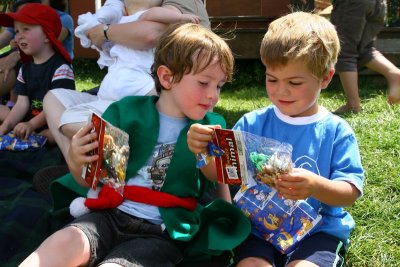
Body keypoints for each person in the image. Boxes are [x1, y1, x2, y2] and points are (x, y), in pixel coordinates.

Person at [20, 23, 250, 267]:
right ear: (167, 77)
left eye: (219, 86)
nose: (213, 95)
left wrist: (205, 153)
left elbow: (218, 179)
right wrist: (78, 161)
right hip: (108, 214)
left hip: (162, 231)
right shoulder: (125, 112)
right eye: (204, 83)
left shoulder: (211, 125)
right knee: (64, 242)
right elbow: (92, 179)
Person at [187, 12, 364, 267]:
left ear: (325, 78)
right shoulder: (251, 124)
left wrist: (315, 186)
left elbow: (349, 192)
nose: (281, 90)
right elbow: (220, 174)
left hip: (318, 233)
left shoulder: (336, 131)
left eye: (294, 82)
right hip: (258, 230)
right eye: (272, 79)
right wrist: (201, 152)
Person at [44, 0, 208, 161]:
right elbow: (98, 32)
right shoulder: (122, 17)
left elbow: (149, 34)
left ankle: (123, 152)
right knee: (56, 102)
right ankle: (80, 165)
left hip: (143, 88)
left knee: (158, 108)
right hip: (114, 91)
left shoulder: (149, 13)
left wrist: (105, 31)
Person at [0, 3, 75, 143]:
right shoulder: (25, 68)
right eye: (16, 31)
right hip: (29, 120)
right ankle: (28, 133)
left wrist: (31, 125)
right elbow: (22, 104)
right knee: (9, 120)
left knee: (56, 134)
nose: (19, 36)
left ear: (47, 36)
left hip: (54, 121)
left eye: (25, 29)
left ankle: (38, 137)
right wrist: (5, 127)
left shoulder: (61, 68)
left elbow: (59, 106)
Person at [331, 0, 400, 114]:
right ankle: (394, 74)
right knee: (364, 49)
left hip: (353, 4)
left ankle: (352, 105)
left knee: (344, 51)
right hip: (379, 3)